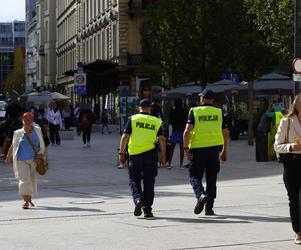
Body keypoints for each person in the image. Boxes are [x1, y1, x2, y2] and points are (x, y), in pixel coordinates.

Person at [183, 90, 229, 216]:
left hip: (197, 150)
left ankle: (201, 194)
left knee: (194, 175)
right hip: (214, 150)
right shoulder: (219, 112)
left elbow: (187, 131)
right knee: (211, 179)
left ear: (202, 99)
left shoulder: (195, 111)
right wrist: (225, 150)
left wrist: (186, 149)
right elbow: (226, 132)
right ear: (212, 100)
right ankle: (209, 208)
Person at [119, 99, 166, 218]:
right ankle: (147, 210)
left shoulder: (133, 119)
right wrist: (163, 157)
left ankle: (138, 199)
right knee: (149, 182)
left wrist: (121, 153)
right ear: (150, 108)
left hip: (135, 155)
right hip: (151, 155)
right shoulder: (156, 121)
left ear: (139, 107)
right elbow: (162, 140)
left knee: (134, 180)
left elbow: (125, 136)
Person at [274, 93, 301, 245]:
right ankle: (298, 232)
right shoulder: (287, 122)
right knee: (294, 199)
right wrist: (291, 146)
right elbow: (276, 146)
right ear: (297, 105)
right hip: (292, 163)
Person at [4, 112, 45, 209]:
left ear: (32, 120)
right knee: (24, 180)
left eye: (30, 119)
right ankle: (25, 200)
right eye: (25, 119)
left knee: (32, 180)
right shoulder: (18, 133)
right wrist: (8, 157)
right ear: (22, 120)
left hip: (34, 159)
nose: (27, 120)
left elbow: (41, 144)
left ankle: (29, 198)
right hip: (21, 160)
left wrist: (40, 153)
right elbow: (13, 145)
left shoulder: (37, 130)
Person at [167, 99, 188, 169]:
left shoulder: (172, 111)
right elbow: (186, 122)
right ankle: (181, 164)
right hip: (182, 131)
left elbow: (170, 123)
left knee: (172, 148)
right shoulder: (185, 111)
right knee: (182, 148)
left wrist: (169, 134)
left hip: (174, 131)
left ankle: (169, 163)